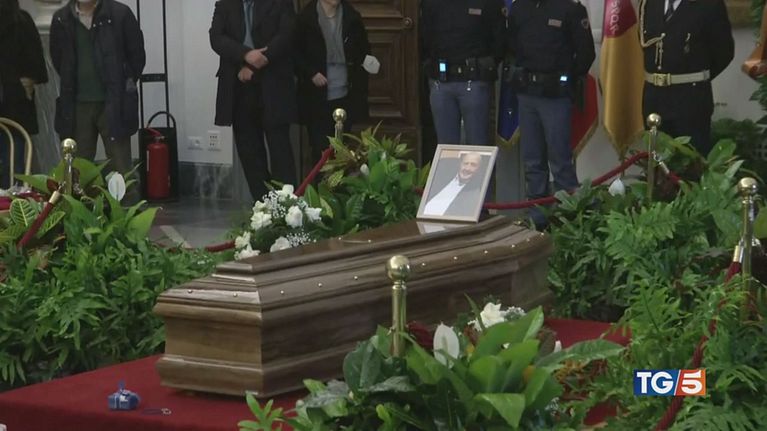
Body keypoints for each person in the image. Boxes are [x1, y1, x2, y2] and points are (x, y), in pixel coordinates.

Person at [506, 0, 595, 229]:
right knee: (532, 160)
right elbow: (511, 47)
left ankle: (569, 219)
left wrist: (565, 78)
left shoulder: (570, 9)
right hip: (527, 93)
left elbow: (586, 53)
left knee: (560, 160)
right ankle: (537, 218)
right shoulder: (520, 7)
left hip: (555, 96)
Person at [50, 0, 145, 185]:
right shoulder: (62, 19)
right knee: (77, 172)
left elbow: (137, 56)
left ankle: (126, 204)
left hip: (114, 103)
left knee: (122, 170)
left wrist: (123, 82)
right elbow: (59, 59)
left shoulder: (120, 14)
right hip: (77, 105)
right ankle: (80, 204)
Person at [210, 0, 298, 200]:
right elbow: (216, 38)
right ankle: (262, 206)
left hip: (273, 86)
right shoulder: (225, 4)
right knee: (249, 153)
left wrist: (256, 64)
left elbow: (286, 34)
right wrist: (245, 55)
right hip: (238, 88)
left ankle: (288, 207)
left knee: (280, 151)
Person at [639, 0, 733, 156]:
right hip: (654, 98)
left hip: (690, 99)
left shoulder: (709, 4)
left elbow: (724, 52)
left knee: (691, 162)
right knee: (656, 163)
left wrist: (694, 78)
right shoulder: (649, 3)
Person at [294, 0, 371, 165]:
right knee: (320, 148)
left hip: (345, 92)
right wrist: (311, 73)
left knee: (343, 148)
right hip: (317, 96)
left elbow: (362, 50)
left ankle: (341, 180)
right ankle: (321, 180)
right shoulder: (305, 18)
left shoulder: (351, 17)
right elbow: (295, 54)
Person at [420, 0, 506, 146]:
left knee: (477, 147)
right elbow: (425, 38)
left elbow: (499, 42)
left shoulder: (489, 2)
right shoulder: (431, 3)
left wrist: (482, 65)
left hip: (475, 81)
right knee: (446, 148)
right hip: (441, 82)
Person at [0, 0, 48, 188]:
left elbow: (36, 67)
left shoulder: (20, 21)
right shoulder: (21, 20)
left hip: (14, 104)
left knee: (14, 164)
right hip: (15, 101)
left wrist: (24, 82)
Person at [423, 152, 485, 217]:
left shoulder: (476, 191)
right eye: (465, 163)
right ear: (460, 164)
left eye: (473, 165)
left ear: (479, 169)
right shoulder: (442, 178)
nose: (467, 168)